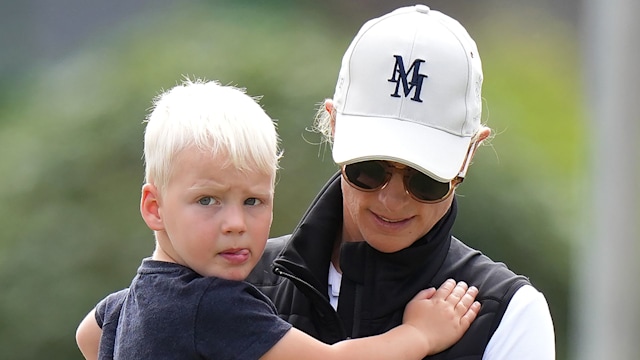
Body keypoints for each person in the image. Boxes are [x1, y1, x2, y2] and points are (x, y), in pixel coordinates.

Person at [75, 78, 481, 359]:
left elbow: (88, 336)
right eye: (207, 200)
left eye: (253, 201)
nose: (235, 223)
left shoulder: (132, 303)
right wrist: (419, 334)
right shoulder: (212, 306)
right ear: (154, 208)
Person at [246, 4, 556, 360]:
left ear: (470, 153)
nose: (392, 200)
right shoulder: (233, 282)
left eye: (424, 179)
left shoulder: (510, 316)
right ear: (334, 127)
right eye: (371, 169)